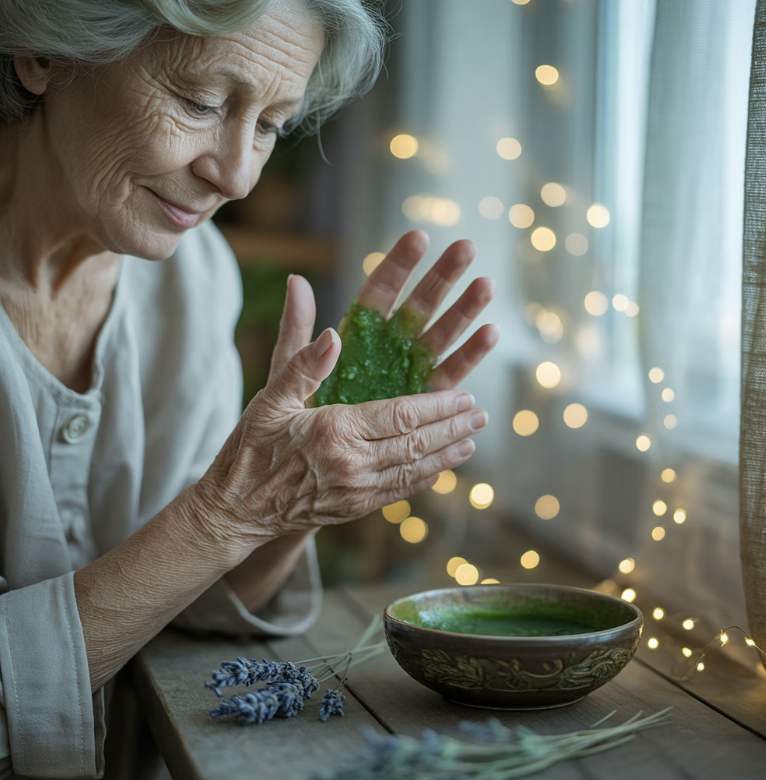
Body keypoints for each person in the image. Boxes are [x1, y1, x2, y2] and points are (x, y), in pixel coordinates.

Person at [0, 0, 498, 775]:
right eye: (200, 102)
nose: (235, 175)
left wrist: (299, 493)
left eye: (270, 124)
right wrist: (230, 511)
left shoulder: (195, 279)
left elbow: (183, 599)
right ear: (45, 54)